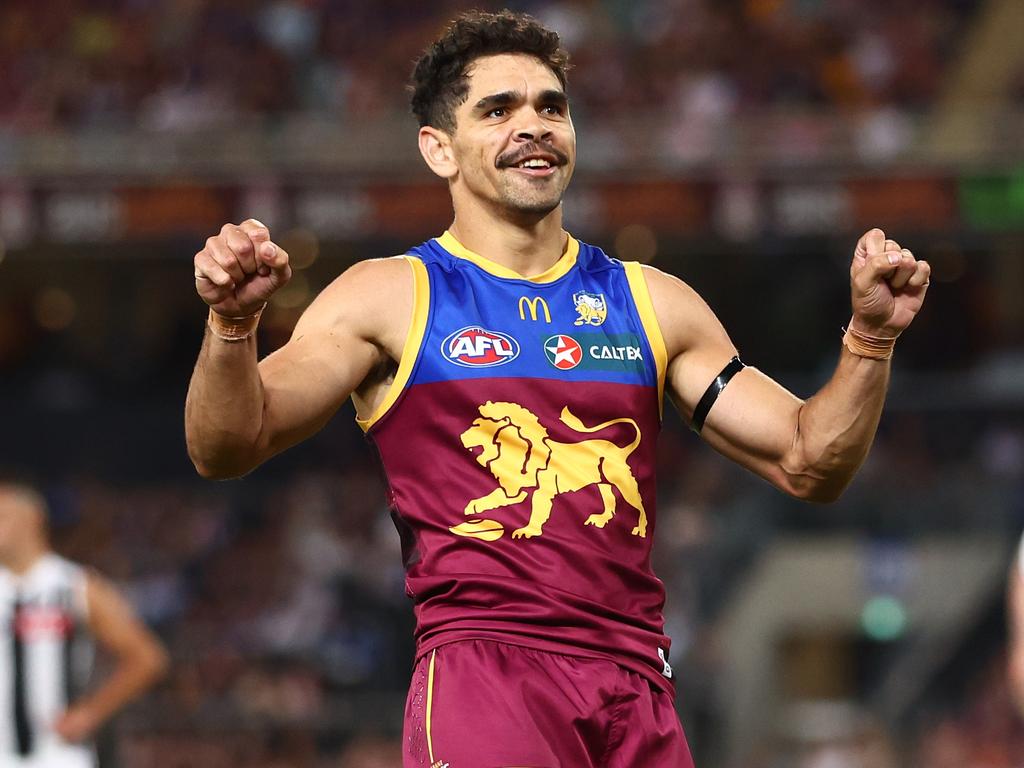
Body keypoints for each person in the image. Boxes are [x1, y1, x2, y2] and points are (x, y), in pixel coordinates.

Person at [185, 10, 930, 767]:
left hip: (636, 687)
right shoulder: (388, 297)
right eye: (498, 109)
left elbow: (811, 460)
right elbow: (227, 447)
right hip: (488, 677)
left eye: (551, 106)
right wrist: (232, 328)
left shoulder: (651, 303)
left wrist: (870, 340)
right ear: (438, 149)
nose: (534, 125)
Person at [0, 479, 169, 767]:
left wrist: (92, 712)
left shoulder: (76, 586)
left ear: (33, 519)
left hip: (58, 754)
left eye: (2, 516)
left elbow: (147, 657)